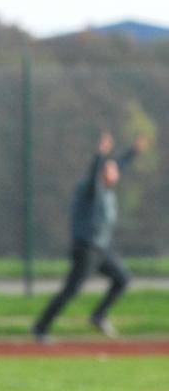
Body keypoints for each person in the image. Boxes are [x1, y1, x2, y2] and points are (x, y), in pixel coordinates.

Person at [32, 131, 148, 343]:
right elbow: (96, 172)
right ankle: (40, 328)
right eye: (111, 170)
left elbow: (117, 166)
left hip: (101, 250)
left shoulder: (106, 187)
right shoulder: (90, 188)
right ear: (103, 172)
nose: (116, 173)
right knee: (71, 290)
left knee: (122, 278)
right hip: (86, 249)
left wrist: (133, 152)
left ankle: (98, 316)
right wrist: (99, 154)